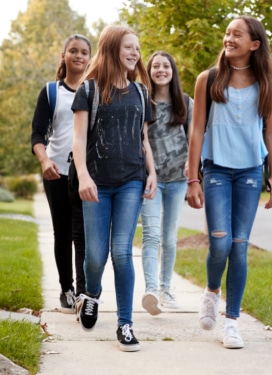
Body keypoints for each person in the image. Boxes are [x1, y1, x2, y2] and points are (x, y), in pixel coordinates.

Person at [186, 15, 272, 349]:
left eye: (236, 34)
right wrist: (192, 177)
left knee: (240, 247)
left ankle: (232, 322)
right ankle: (212, 291)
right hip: (216, 170)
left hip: (251, 172)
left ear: (254, 44)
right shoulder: (208, 79)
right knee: (221, 243)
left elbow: (270, 131)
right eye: (227, 33)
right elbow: (196, 130)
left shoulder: (265, 81)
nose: (229, 38)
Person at [71, 25, 157, 352]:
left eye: (137, 48)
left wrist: (152, 173)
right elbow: (79, 139)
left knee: (121, 251)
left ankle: (125, 324)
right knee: (96, 255)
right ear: (111, 50)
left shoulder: (141, 93)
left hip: (131, 181)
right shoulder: (89, 90)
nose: (135, 54)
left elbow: (144, 139)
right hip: (96, 182)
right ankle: (91, 293)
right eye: (128, 48)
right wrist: (83, 176)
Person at [31, 34, 92, 313]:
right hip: (56, 171)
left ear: (91, 58)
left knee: (83, 233)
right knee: (63, 232)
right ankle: (66, 289)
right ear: (64, 55)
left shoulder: (95, 90)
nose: (79, 56)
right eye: (73, 51)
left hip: (85, 173)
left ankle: (83, 291)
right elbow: (37, 133)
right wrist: (44, 161)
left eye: (84, 52)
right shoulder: (50, 91)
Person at [140, 51, 193, 315]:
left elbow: (195, 139)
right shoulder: (143, 102)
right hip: (151, 180)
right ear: (149, 71)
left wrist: (192, 166)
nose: (161, 70)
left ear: (173, 71)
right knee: (151, 234)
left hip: (177, 180)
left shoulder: (185, 103)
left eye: (166, 66)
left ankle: (166, 288)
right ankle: (151, 290)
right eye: (156, 66)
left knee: (169, 237)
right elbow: (141, 140)